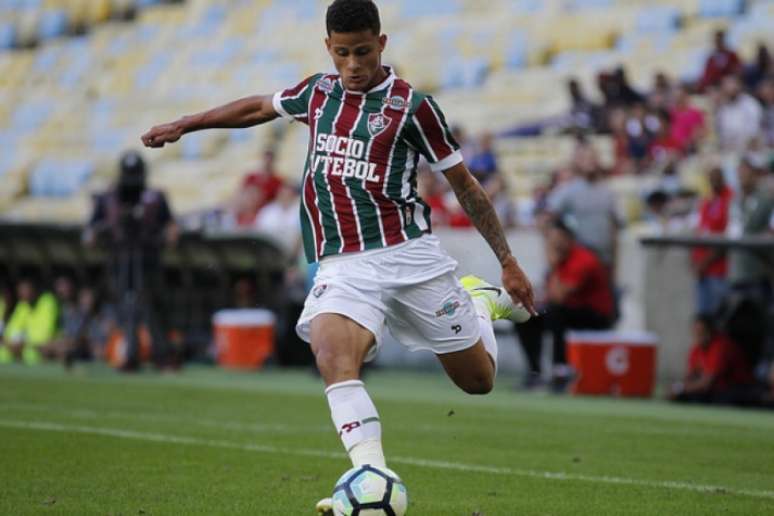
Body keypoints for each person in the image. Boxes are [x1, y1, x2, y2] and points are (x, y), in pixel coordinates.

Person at [140, 2, 537, 513]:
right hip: (343, 263)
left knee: (477, 382)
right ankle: (370, 471)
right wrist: (187, 123)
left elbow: (466, 187)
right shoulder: (317, 93)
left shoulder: (413, 108)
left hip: (410, 257)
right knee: (331, 353)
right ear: (328, 47)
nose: (353, 64)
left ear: (382, 44)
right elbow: (258, 107)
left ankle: (478, 304)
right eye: (343, 53)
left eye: (364, 52)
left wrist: (506, 260)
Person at [84, 151, 178, 371]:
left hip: (148, 258)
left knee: (153, 306)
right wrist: (100, 234)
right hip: (119, 258)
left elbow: (171, 226)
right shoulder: (109, 198)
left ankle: (162, 354)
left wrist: (168, 235)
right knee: (126, 307)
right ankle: (132, 352)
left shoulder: (155, 197)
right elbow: (91, 231)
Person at [516, 219, 614, 390]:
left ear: (568, 238)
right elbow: (548, 295)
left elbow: (559, 297)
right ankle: (534, 373)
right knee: (525, 316)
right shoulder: (561, 259)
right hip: (568, 311)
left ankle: (560, 371)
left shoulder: (583, 260)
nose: (553, 244)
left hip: (596, 315)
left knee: (555, 313)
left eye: (557, 239)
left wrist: (553, 266)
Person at [547, 140, 620, 270]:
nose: (589, 161)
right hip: (580, 260)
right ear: (577, 162)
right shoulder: (569, 190)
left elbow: (614, 227)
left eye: (592, 157)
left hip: (604, 258)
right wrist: (553, 253)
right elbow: (548, 217)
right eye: (585, 158)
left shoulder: (608, 192)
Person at [670, 315, 754, 405]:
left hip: (738, 389)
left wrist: (682, 388)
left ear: (711, 331)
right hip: (717, 390)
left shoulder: (721, 346)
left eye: (701, 332)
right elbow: (691, 376)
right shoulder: (697, 349)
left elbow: (708, 382)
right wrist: (676, 386)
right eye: (695, 332)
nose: (698, 336)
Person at [691, 167, 733, 316]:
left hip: (718, 269)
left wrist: (705, 262)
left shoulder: (730, 198)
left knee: (718, 316)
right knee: (703, 318)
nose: (713, 181)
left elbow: (727, 235)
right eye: (711, 178)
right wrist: (696, 263)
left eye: (716, 177)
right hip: (702, 270)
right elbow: (700, 230)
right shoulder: (708, 200)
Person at [0, 278, 59, 365]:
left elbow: (44, 335)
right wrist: (11, 342)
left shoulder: (48, 301)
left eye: (26, 290)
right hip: (21, 351)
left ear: (34, 289)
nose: (23, 293)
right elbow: (14, 331)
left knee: (32, 352)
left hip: (39, 351)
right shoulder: (22, 305)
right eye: (21, 291)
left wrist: (24, 343)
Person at [715, 75, 763, 153]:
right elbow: (720, 132)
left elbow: (754, 132)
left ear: (739, 86)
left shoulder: (750, 104)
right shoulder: (722, 108)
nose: (729, 88)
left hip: (749, 150)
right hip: (728, 151)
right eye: (726, 86)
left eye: (732, 84)